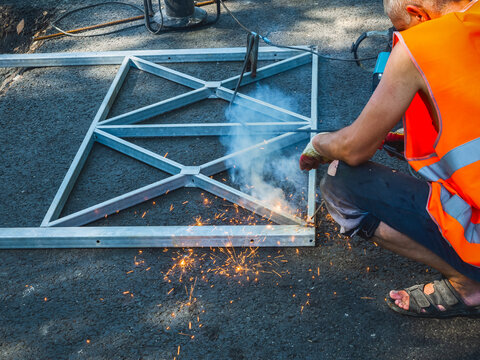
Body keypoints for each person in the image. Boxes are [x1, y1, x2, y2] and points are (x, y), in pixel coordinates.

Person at [300, 0, 480, 317]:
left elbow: (353, 148)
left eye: (399, 31)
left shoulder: (423, 43)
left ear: (416, 13)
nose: (398, 40)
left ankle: (470, 285)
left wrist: (320, 143)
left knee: (341, 180)